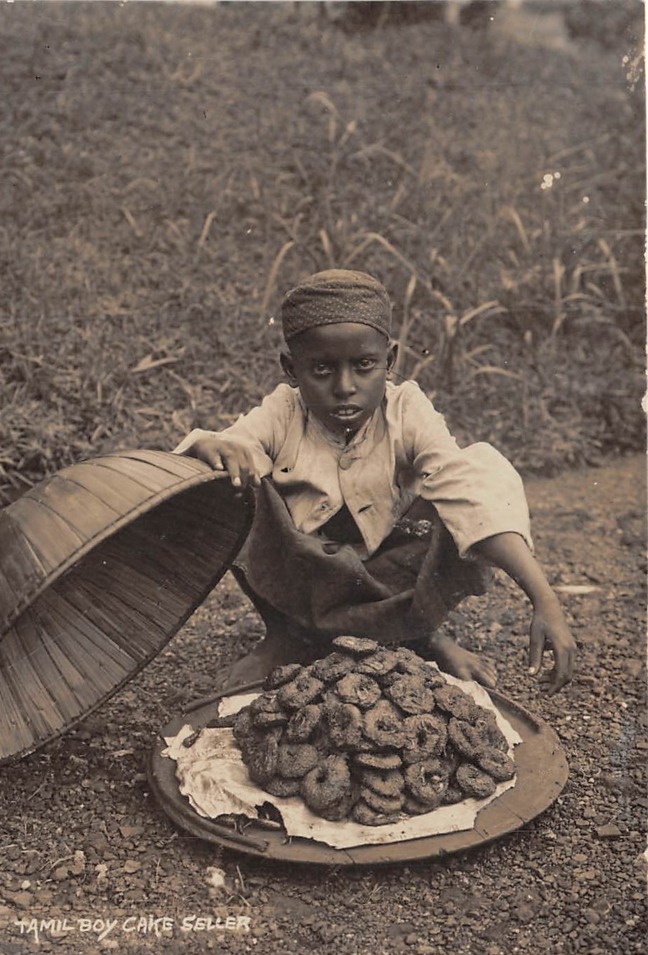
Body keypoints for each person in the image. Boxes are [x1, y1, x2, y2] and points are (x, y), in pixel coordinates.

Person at [174, 269, 576, 693]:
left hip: (389, 569)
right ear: (291, 369)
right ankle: (283, 636)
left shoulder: (406, 409)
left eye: (364, 365)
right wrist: (213, 445)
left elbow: (467, 485)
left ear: (391, 360)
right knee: (232, 485)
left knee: (470, 481)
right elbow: (235, 444)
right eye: (322, 369)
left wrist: (544, 599)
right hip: (307, 572)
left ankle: (422, 636)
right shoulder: (283, 412)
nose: (345, 387)